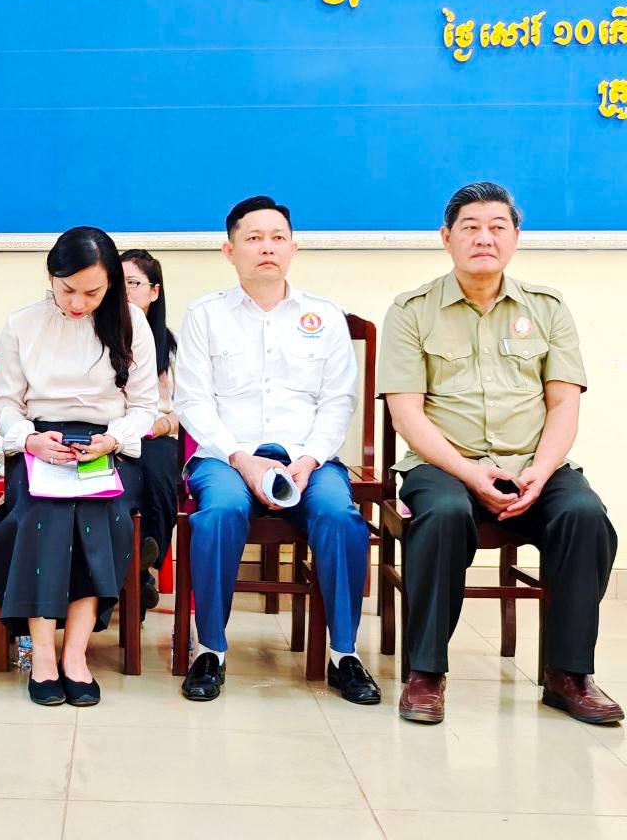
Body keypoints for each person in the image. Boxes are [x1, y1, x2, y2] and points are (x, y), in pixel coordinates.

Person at [379, 182, 620, 725]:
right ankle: (426, 673)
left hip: (534, 464)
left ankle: (568, 674)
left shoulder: (548, 308)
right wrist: (469, 472)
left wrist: (541, 471)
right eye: (470, 227)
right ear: (446, 237)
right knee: (442, 514)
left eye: (497, 227)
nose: (483, 238)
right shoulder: (412, 310)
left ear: (515, 236)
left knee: (585, 515)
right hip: (444, 465)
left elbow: (564, 404)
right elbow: (407, 414)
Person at [174, 197, 379, 705]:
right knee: (218, 514)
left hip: (308, 458)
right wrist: (241, 459)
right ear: (229, 251)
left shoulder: (324, 316)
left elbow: (338, 401)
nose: (267, 247)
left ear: (293, 247)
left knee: (341, 516)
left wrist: (308, 461)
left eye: (278, 237)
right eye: (253, 238)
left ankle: (344, 655)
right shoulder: (205, 315)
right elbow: (193, 401)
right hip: (227, 457)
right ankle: (210, 650)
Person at [0, 227, 157, 707]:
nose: (78, 303)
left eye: (92, 293)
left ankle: (75, 654)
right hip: (41, 443)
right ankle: (43, 653)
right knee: (44, 512)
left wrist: (112, 440)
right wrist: (31, 441)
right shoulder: (22, 324)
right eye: (67, 290)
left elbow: (145, 406)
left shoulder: (131, 323)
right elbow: (6, 404)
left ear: (111, 285)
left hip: (108, 444)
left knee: (100, 513)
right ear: (51, 277)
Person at [121, 249, 179, 614]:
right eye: (118, 282)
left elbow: (188, 408)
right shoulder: (101, 334)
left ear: (154, 291)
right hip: (114, 435)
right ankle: (136, 576)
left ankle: (145, 561)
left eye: (133, 283)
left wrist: (161, 425)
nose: (124, 291)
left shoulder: (170, 346)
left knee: (156, 469)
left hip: (156, 436)